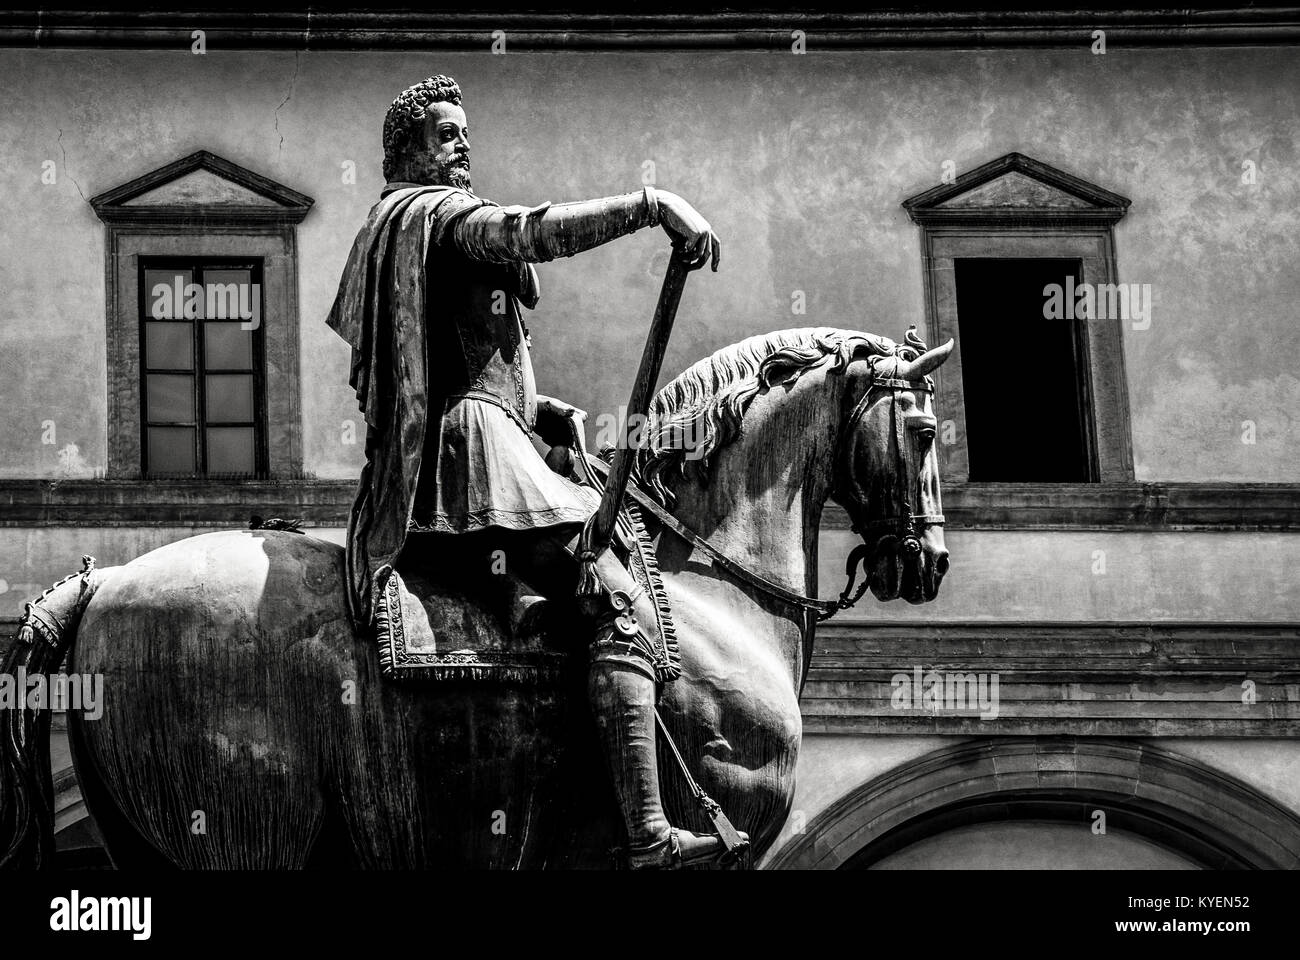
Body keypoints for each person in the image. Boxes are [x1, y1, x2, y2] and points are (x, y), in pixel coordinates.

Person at [326, 75, 737, 868]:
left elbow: (465, 363)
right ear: (408, 152)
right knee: (612, 591)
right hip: (467, 464)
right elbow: (532, 232)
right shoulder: (437, 217)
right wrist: (650, 205)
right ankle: (649, 832)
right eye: (446, 134)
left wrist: (539, 413)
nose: (462, 145)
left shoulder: (411, 230)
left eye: (464, 132)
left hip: (481, 442)